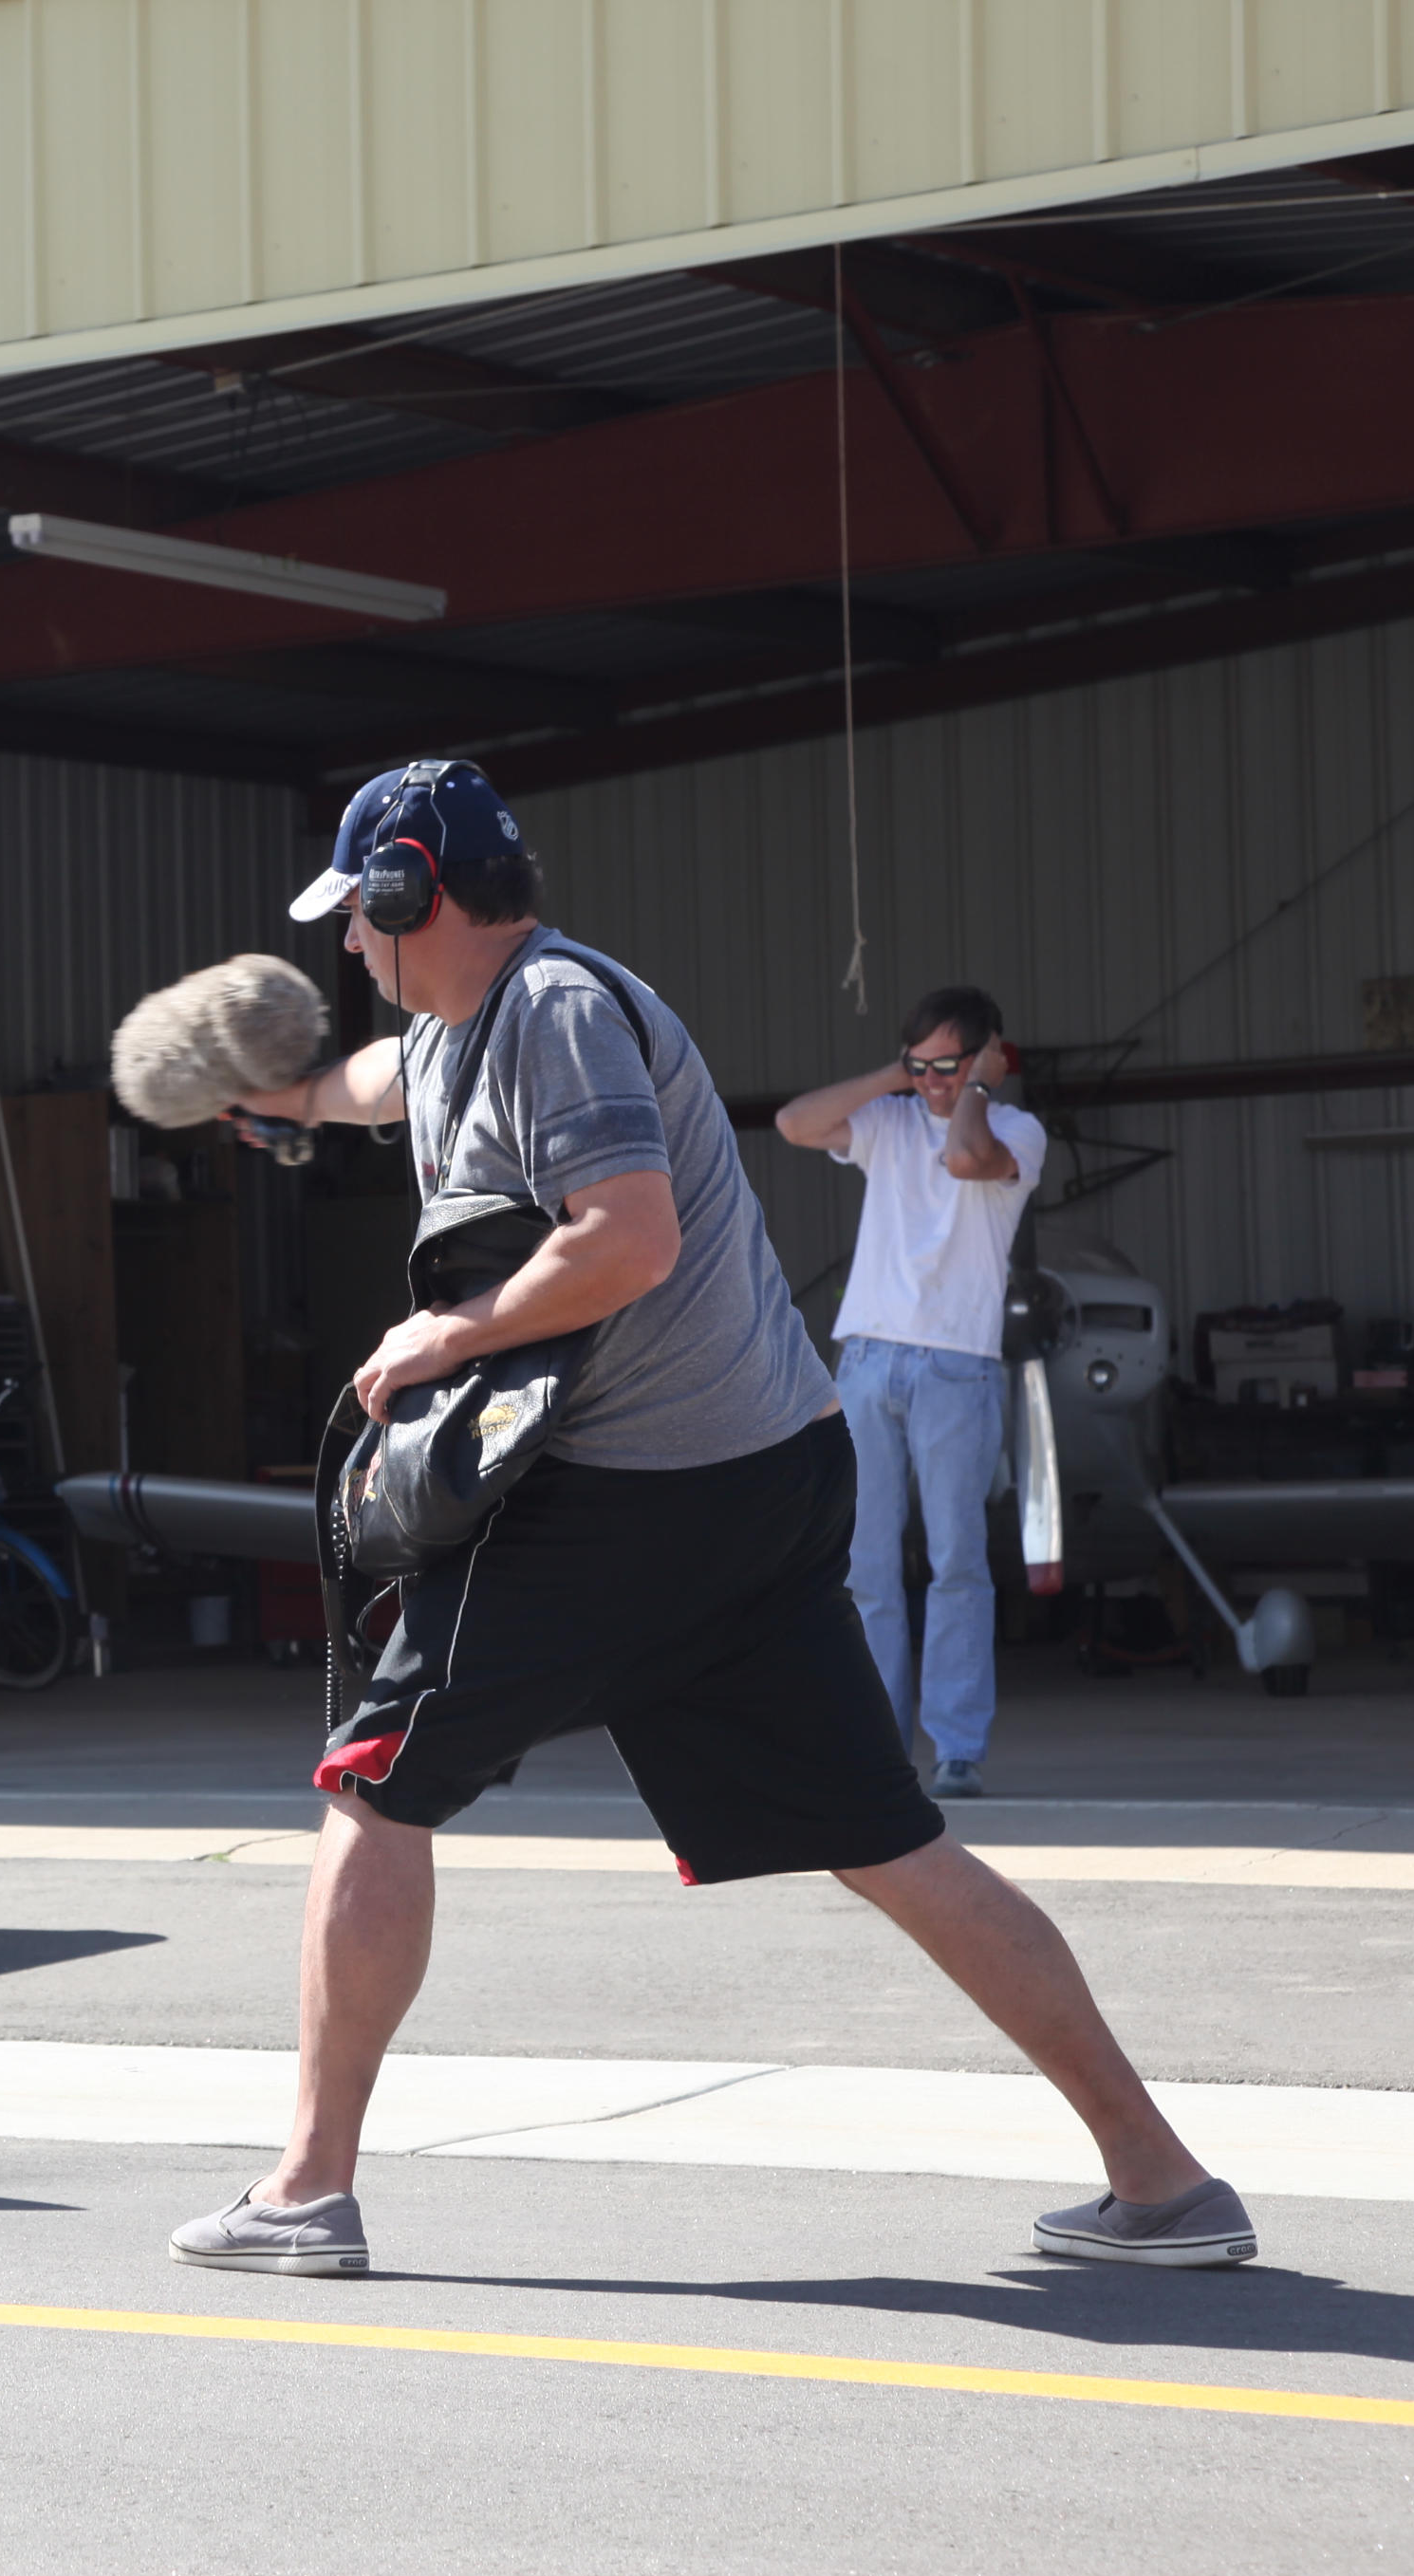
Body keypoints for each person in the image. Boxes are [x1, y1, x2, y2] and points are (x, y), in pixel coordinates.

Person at [168, 760, 1249, 2278]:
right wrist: (268, 1093)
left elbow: (628, 1241)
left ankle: (302, 2193)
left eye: (363, 913)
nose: (352, 943)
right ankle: (1165, 2180)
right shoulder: (464, 1030)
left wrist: (445, 1336)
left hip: (635, 1500)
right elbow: (366, 1086)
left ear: (417, 893)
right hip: (762, 1480)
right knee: (889, 1839)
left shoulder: (550, 1014)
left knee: (374, 1784)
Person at [774, 992, 1051, 1799]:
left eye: (948, 1066)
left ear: (987, 1060)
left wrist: (977, 1090)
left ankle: (958, 1747)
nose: (931, 1083)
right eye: (920, 1066)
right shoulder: (889, 1121)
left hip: (957, 1366)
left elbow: (968, 1159)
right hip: (867, 1358)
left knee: (957, 1561)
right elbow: (795, 1122)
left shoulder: (1015, 1132)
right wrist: (896, 1075)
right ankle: (877, 1744)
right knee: (865, 1566)